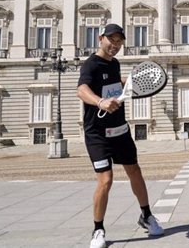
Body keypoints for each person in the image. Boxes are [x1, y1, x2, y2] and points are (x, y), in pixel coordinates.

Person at [76, 23, 164, 248]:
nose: (115, 45)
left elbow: (113, 83)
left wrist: (134, 82)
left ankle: (146, 216)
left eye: (119, 42)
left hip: (120, 131)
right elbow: (82, 90)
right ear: (100, 38)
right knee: (106, 180)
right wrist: (100, 101)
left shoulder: (113, 64)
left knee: (135, 171)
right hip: (97, 134)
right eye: (111, 40)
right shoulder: (91, 64)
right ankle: (98, 230)